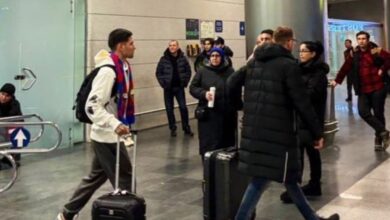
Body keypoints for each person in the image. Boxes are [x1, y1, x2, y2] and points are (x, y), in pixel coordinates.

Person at [228, 27, 339, 220]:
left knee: (288, 178)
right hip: (278, 134)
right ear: (288, 42)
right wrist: (317, 133)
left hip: (254, 131)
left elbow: (231, 83)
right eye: (293, 42)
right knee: (261, 179)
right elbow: (302, 102)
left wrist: (242, 105)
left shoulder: (254, 62)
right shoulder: (288, 65)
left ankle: (313, 219)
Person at [57, 28, 136, 220]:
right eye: (131, 43)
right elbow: (92, 106)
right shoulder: (108, 71)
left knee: (95, 177)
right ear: (121, 46)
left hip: (108, 133)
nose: (135, 47)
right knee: (124, 179)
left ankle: (67, 214)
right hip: (107, 134)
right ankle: (130, 214)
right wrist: (115, 124)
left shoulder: (122, 67)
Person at [280, 41, 329, 203]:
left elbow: (310, 95)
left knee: (306, 151)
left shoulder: (319, 73)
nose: (301, 54)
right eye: (300, 51)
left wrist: (294, 92)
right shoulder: (299, 69)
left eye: (304, 51)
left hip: (311, 118)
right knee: (305, 152)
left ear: (313, 53)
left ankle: (305, 186)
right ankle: (307, 186)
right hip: (300, 117)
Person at [331, 31, 390, 151]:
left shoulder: (376, 50)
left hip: (378, 87)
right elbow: (345, 67)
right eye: (359, 39)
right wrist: (337, 81)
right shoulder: (354, 54)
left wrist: (383, 69)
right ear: (357, 40)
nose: (361, 41)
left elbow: (389, 59)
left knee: (378, 114)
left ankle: (378, 139)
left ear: (368, 40)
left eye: (363, 38)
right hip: (363, 88)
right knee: (363, 112)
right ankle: (384, 131)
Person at [190, 47, 240, 160]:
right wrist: (203, 94)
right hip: (209, 115)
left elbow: (235, 89)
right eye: (212, 56)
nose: (214, 58)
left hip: (226, 114)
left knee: (226, 144)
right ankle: (208, 171)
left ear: (222, 57)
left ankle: (223, 172)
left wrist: (238, 105)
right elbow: (193, 87)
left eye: (217, 56)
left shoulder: (230, 71)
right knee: (209, 144)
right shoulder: (202, 71)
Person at [156, 40, 194, 137]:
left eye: (174, 45)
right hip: (168, 89)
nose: (172, 47)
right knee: (169, 109)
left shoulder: (183, 58)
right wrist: (163, 84)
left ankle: (186, 127)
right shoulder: (163, 59)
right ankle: (172, 128)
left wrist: (185, 82)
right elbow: (158, 73)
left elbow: (188, 71)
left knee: (183, 107)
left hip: (179, 88)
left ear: (177, 47)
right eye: (170, 45)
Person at [0, 83, 23, 168]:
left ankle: (12, 159)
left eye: (7, 96)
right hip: (2, 128)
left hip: (10, 128)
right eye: (2, 94)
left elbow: (17, 119)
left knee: (19, 135)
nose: (4, 97)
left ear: (11, 96)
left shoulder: (15, 104)